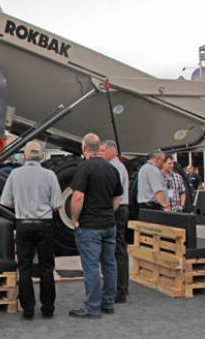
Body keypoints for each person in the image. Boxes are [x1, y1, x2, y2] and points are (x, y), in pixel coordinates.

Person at [0, 140, 62, 320]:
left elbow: (5, 201)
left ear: (25, 155)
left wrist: (21, 204)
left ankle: (28, 309)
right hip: (45, 225)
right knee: (46, 268)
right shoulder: (50, 175)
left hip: (24, 224)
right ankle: (48, 308)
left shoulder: (15, 174)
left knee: (24, 268)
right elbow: (57, 204)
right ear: (41, 156)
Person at [69, 134, 123, 319]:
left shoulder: (84, 167)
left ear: (84, 148)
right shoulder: (112, 169)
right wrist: (109, 212)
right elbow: (118, 198)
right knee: (109, 264)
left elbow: (77, 197)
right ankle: (108, 303)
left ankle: (92, 308)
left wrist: (74, 219)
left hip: (90, 226)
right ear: (99, 148)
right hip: (109, 224)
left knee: (91, 267)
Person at [100, 140, 130, 303]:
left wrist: (108, 212)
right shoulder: (117, 166)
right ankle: (122, 287)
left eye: (103, 150)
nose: (101, 153)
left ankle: (120, 290)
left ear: (112, 151)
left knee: (118, 250)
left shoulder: (115, 168)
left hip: (118, 209)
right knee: (119, 249)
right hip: (120, 209)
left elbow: (115, 195)